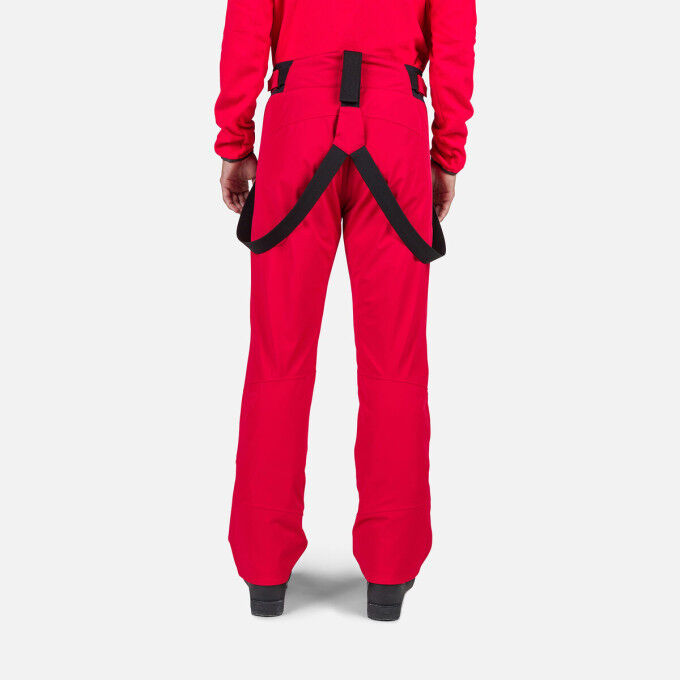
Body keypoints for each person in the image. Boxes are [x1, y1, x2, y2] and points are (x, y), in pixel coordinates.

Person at [215, 0, 476, 620]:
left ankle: (264, 570)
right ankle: (390, 569)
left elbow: (248, 21)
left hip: (297, 118)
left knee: (279, 355)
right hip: (395, 121)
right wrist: (445, 155)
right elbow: (455, 32)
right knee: (395, 362)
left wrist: (234, 140)